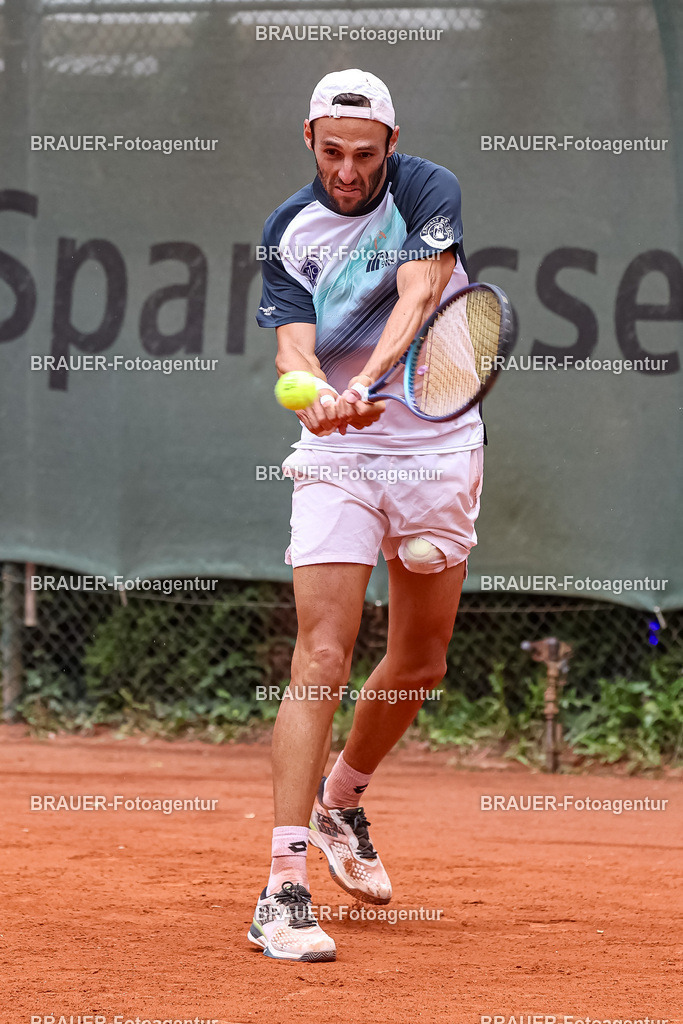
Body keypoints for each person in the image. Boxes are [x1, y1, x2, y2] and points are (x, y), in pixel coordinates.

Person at [249, 69, 484, 962]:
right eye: (332, 151)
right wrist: (315, 399)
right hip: (341, 459)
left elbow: (422, 292)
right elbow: (292, 344)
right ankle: (281, 887)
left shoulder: (428, 190)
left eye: (364, 152)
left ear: (390, 143)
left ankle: (341, 799)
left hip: (436, 449)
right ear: (308, 138)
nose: (348, 170)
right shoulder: (287, 228)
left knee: (421, 658)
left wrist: (370, 383)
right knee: (321, 650)